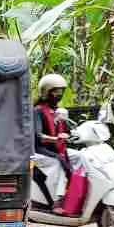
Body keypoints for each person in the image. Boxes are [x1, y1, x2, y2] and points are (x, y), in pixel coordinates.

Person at [33, 73, 72, 211]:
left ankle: (76, 193)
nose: (59, 94)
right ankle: (57, 201)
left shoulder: (58, 111)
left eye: (61, 91)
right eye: (56, 91)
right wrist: (56, 139)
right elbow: (38, 136)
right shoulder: (37, 111)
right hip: (38, 151)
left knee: (80, 157)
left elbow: (67, 130)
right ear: (46, 92)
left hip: (54, 149)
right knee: (58, 163)